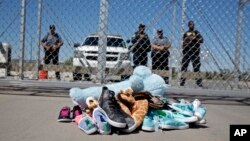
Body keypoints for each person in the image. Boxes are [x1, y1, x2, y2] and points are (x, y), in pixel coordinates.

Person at [180, 20, 204, 87]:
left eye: (193, 24)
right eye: (190, 24)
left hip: (195, 52)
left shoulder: (196, 32)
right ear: (188, 25)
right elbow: (183, 45)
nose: (192, 25)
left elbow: (202, 40)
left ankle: (199, 82)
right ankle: (182, 82)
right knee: (184, 67)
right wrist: (187, 40)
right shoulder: (185, 34)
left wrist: (195, 38)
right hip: (187, 52)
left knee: (196, 67)